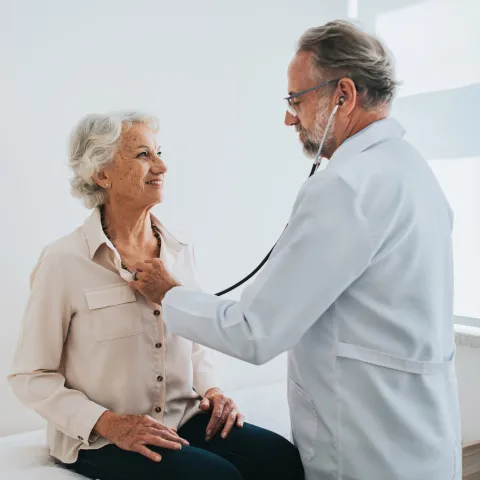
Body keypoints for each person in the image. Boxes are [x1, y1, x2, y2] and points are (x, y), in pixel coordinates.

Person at [130, 20, 462, 480]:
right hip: (419, 434)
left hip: (366, 443)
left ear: (343, 95)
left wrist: (169, 294)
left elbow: (255, 332)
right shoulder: (411, 170)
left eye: (296, 100)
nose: (289, 118)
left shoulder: (345, 187)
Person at [7, 111, 304, 480]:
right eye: (143, 155)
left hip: (184, 417)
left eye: (159, 152)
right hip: (103, 436)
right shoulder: (63, 261)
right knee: (214, 477)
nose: (161, 166)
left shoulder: (179, 250)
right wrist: (108, 423)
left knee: (281, 459)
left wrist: (212, 390)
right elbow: (30, 375)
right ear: (102, 174)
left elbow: (195, 339)